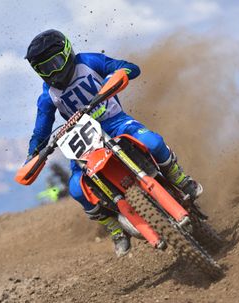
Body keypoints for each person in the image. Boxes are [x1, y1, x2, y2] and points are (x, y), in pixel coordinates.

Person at [24, 29, 202, 257]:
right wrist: (33, 154)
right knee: (77, 189)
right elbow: (41, 131)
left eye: (56, 63)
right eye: (44, 69)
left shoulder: (88, 62)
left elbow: (130, 68)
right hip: (85, 143)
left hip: (115, 123)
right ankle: (115, 229)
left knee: (153, 142)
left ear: (67, 52)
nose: (52, 72)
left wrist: (114, 77)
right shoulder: (47, 96)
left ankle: (180, 179)